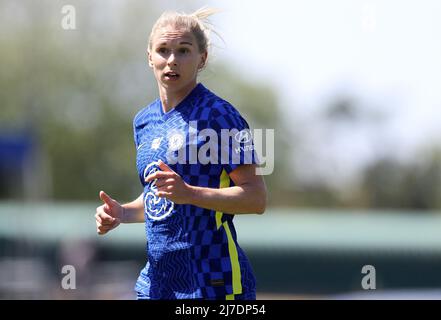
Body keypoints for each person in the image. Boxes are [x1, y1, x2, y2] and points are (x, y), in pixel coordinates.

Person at [95, 7, 267, 300]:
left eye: (183, 51)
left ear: (202, 58)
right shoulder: (143, 121)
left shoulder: (219, 116)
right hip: (157, 284)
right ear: (150, 57)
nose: (172, 60)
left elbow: (256, 198)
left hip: (214, 282)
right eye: (163, 50)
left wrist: (190, 193)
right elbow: (158, 200)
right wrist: (122, 213)